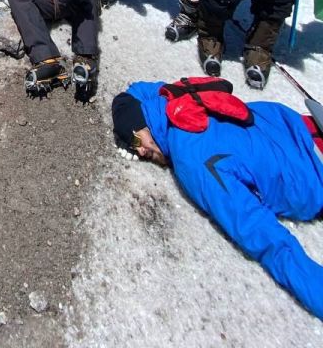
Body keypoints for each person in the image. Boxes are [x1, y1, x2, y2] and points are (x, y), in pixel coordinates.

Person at [112, 79, 323, 321]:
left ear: (142, 125)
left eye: (136, 142)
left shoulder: (192, 160)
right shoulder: (173, 96)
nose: (139, 151)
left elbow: (254, 227)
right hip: (299, 123)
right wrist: (133, 126)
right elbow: (132, 92)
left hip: (311, 169)